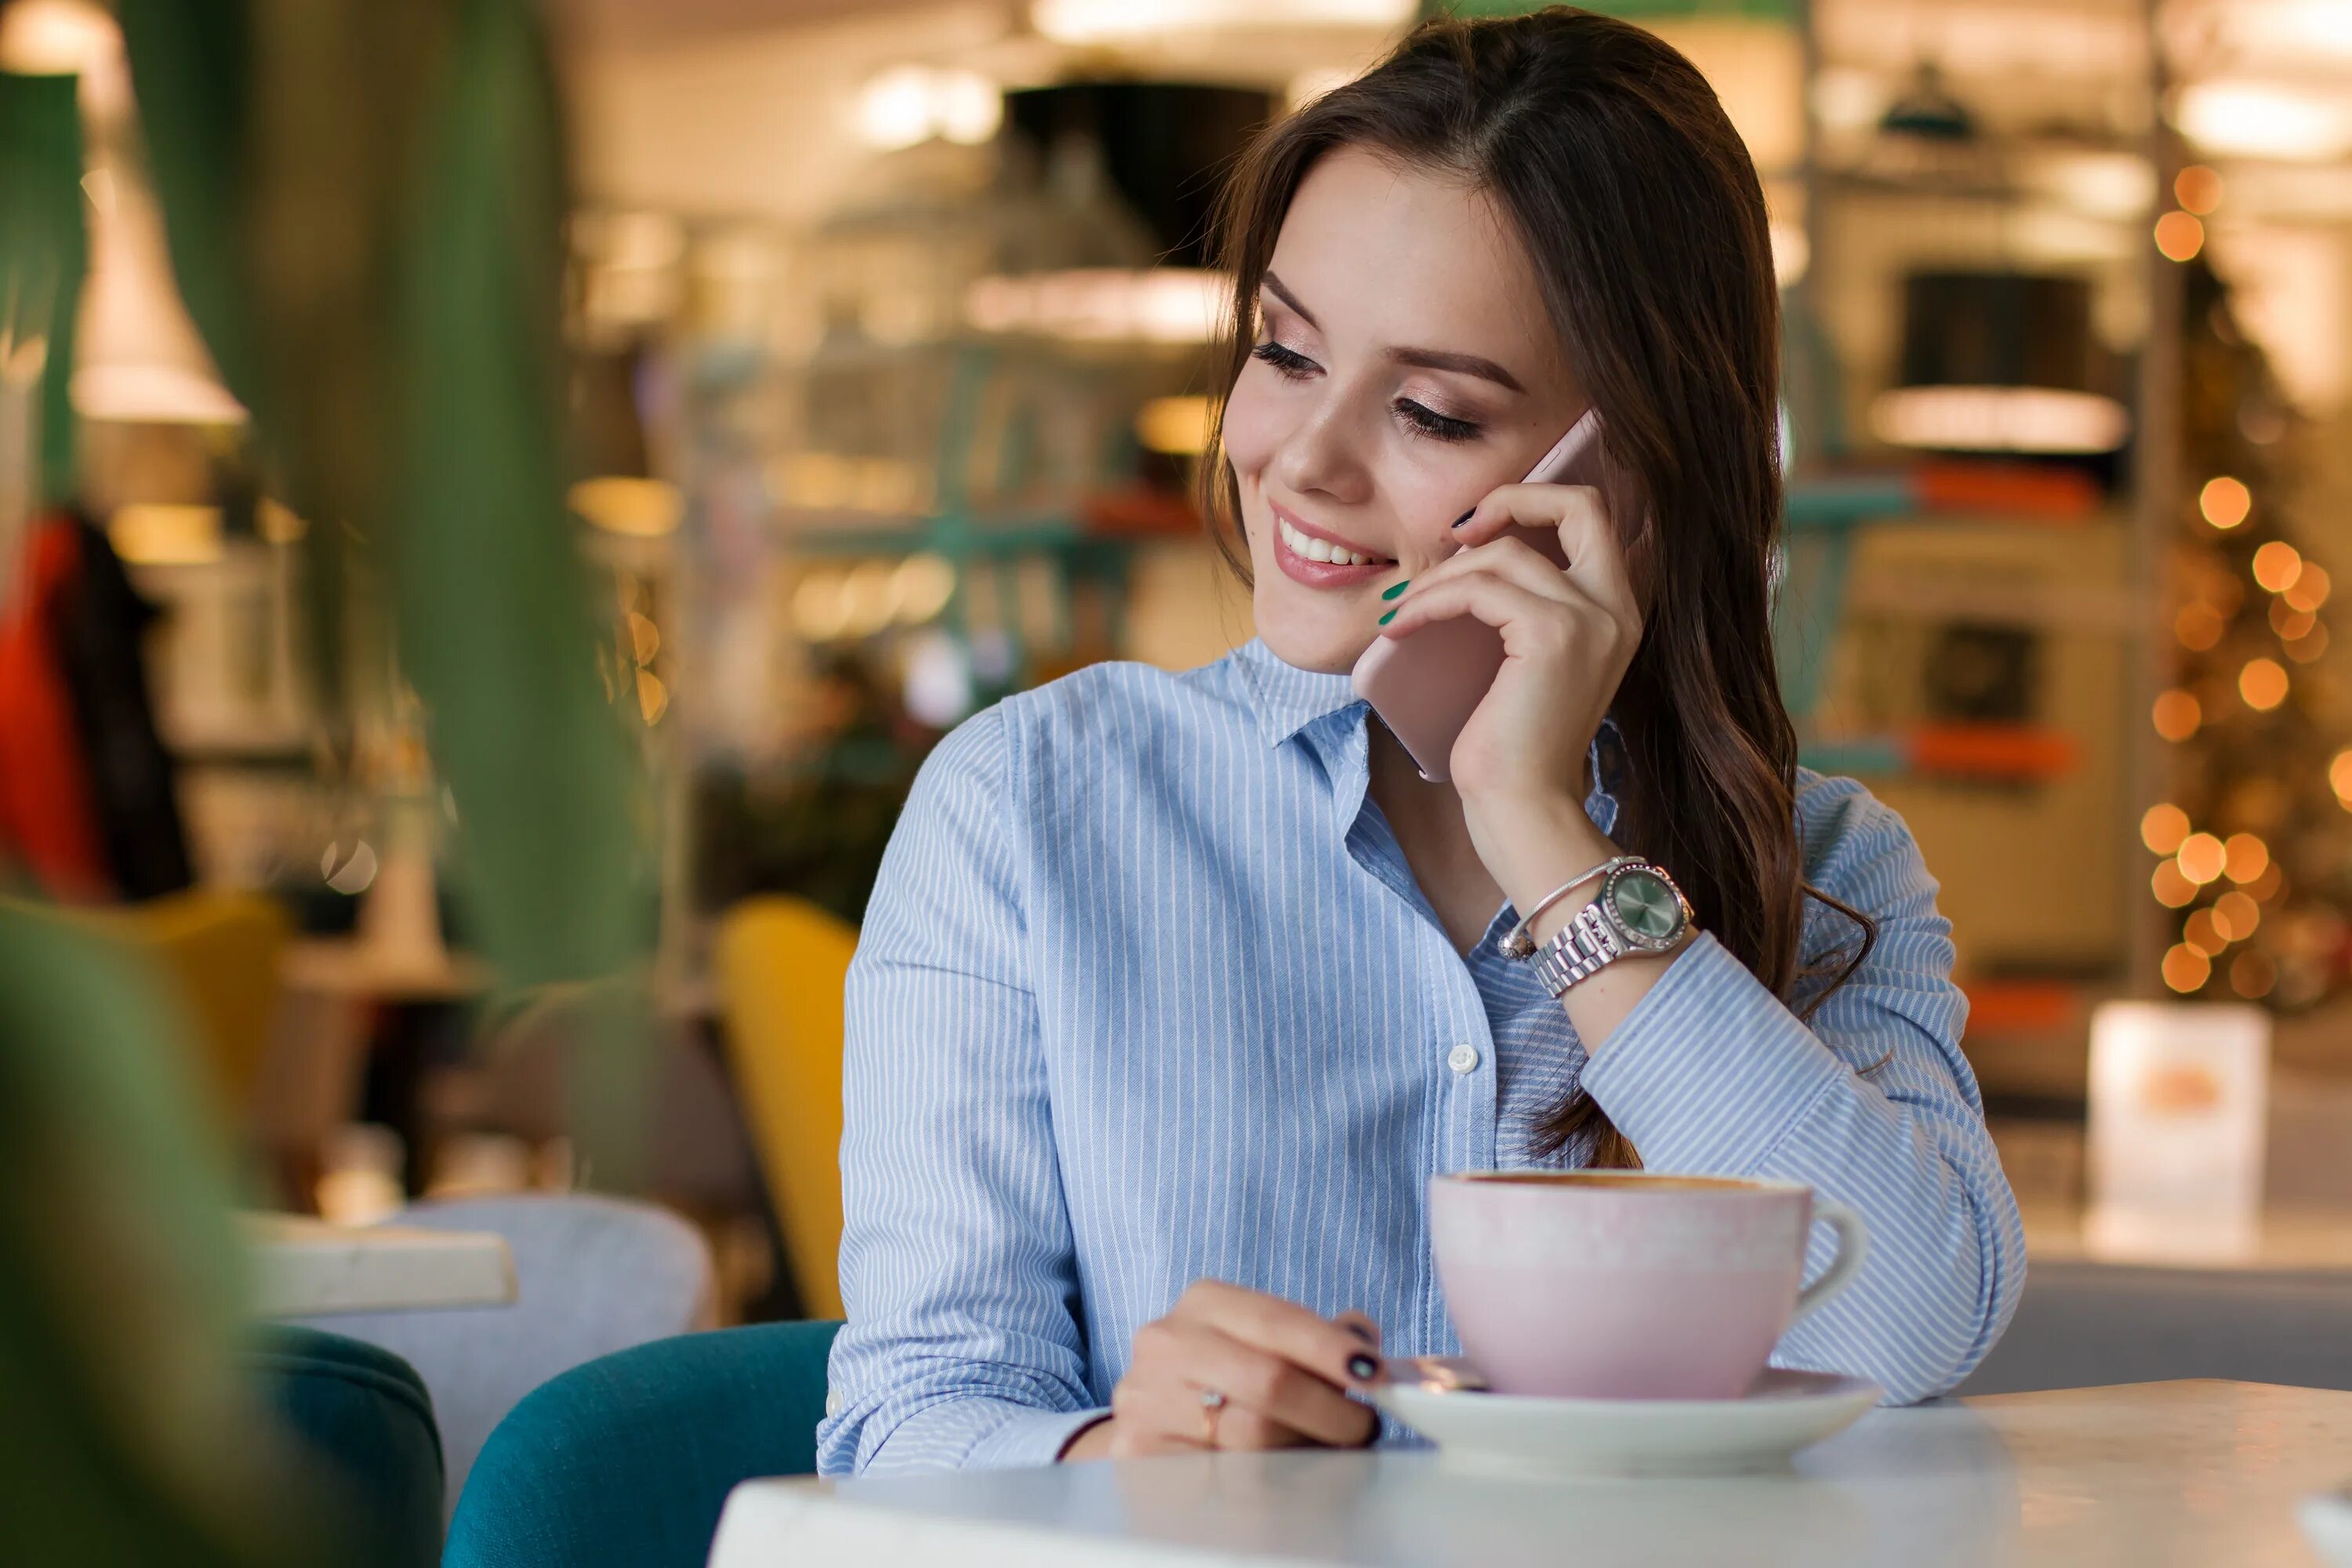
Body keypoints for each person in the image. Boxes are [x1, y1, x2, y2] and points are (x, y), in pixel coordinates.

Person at [816, 7, 2024, 1474]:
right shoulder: (1029, 807)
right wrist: (1119, 1460)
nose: (1302, 462)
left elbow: (1907, 1332)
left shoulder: (1825, 861)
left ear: (1628, 476)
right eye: (1285, 351)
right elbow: (905, 1422)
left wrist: (1542, 831)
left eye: (1431, 412)